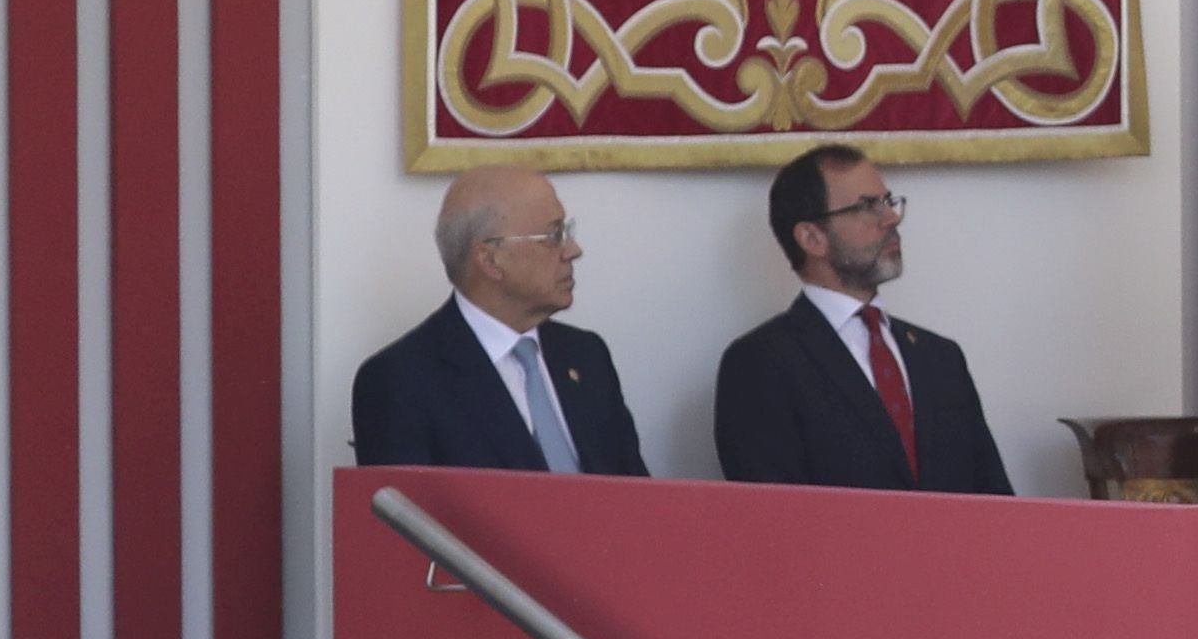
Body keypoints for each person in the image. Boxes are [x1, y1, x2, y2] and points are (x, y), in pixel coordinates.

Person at [712, 148, 1015, 493]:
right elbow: (776, 522)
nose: (891, 218)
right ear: (812, 238)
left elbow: (996, 504)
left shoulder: (941, 358)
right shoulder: (761, 363)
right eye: (867, 206)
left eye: (887, 201)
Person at [350, 169, 646, 474]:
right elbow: (407, 518)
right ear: (490, 259)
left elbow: (640, 499)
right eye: (554, 235)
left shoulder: (586, 355)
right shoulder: (400, 381)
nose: (573, 250)